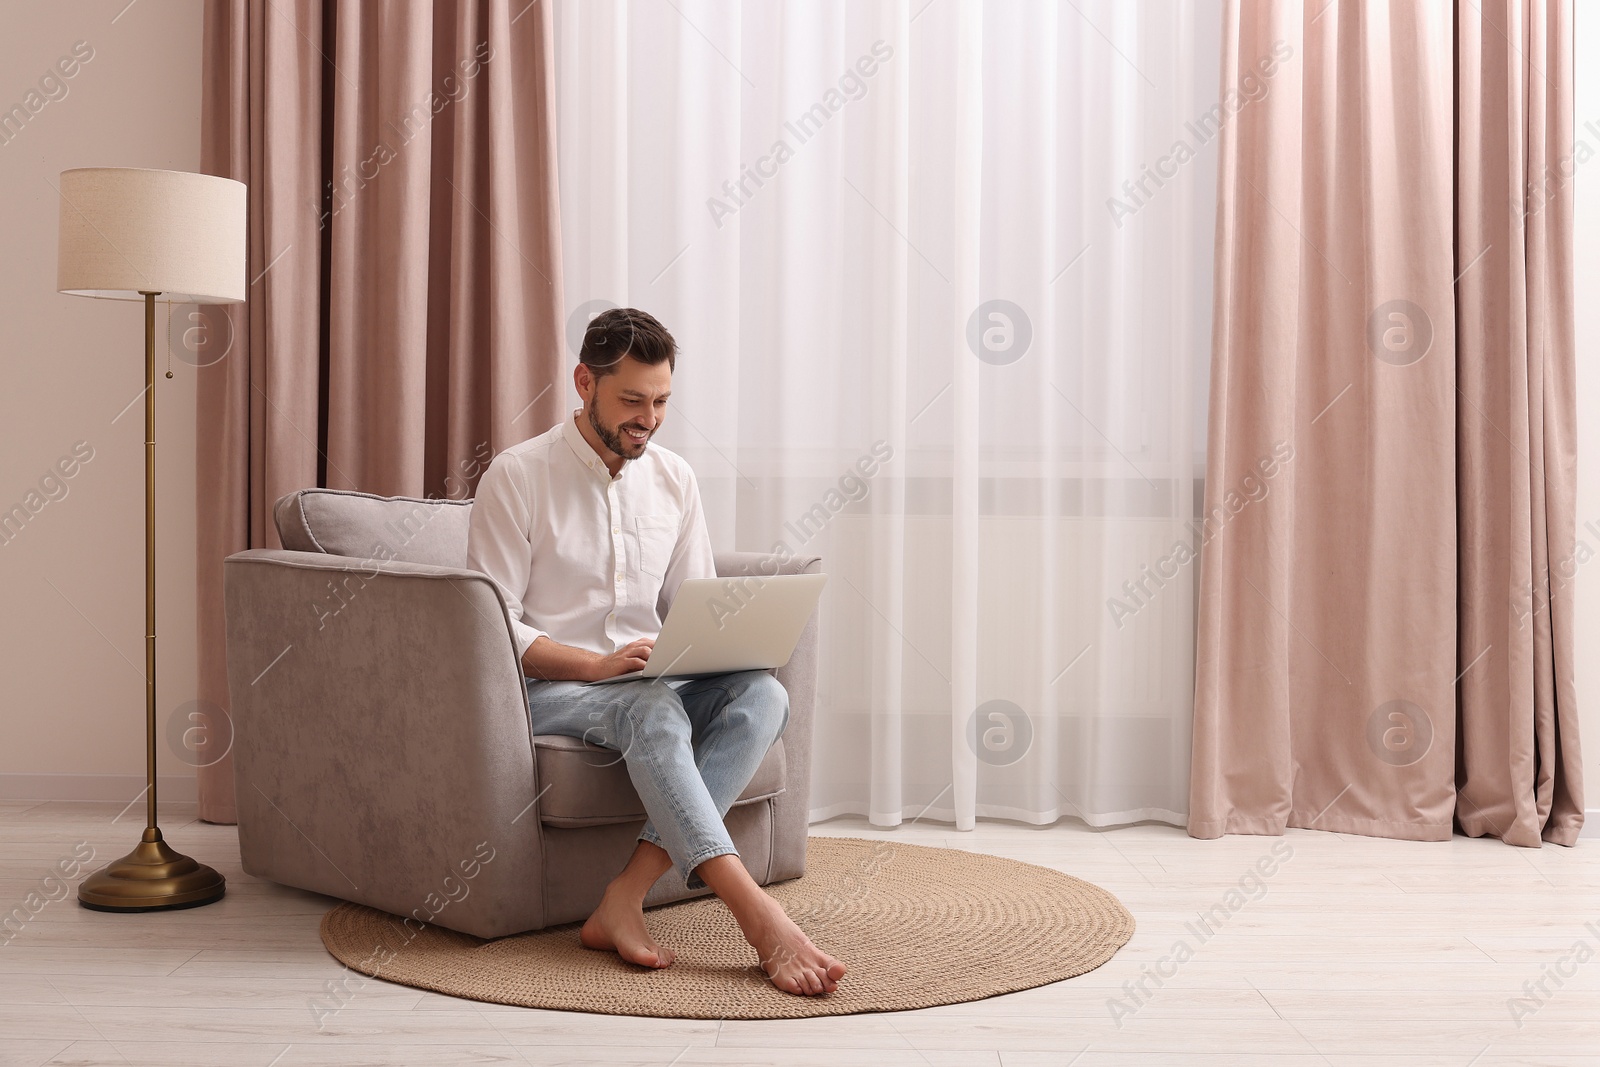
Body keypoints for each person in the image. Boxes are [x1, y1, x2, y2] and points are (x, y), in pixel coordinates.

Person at [466, 307, 847, 997]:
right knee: (651, 708)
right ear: (585, 382)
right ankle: (757, 915)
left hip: (644, 684)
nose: (649, 417)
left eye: (662, 401)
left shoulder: (674, 480)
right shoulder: (518, 476)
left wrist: (723, 644)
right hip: (551, 690)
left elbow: (693, 607)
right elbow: (493, 627)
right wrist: (591, 665)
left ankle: (624, 895)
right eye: (632, 400)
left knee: (765, 693)